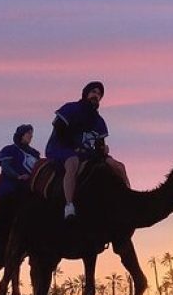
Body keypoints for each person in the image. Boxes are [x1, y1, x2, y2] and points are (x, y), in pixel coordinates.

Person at [45, 81, 129, 219]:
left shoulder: (99, 121)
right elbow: (59, 130)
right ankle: (69, 205)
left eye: (99, 94)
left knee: (118, 166)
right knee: (73, 162)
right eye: (93, 92)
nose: (96, 95)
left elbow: (99, 144)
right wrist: (75, 146)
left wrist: (103, 150)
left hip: (86, 152)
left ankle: (127, 199)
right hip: (61, 147)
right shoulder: (70, 108)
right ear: (86, 93)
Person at [0, 124, 41, 246]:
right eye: (28, 133)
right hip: (11, 185)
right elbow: (6, 166)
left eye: (31, 133)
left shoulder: (35, 153)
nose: (30, 136)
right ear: (21, 135)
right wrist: (18, 176)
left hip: (31, 186)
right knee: (6, 205)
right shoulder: (10, 150)